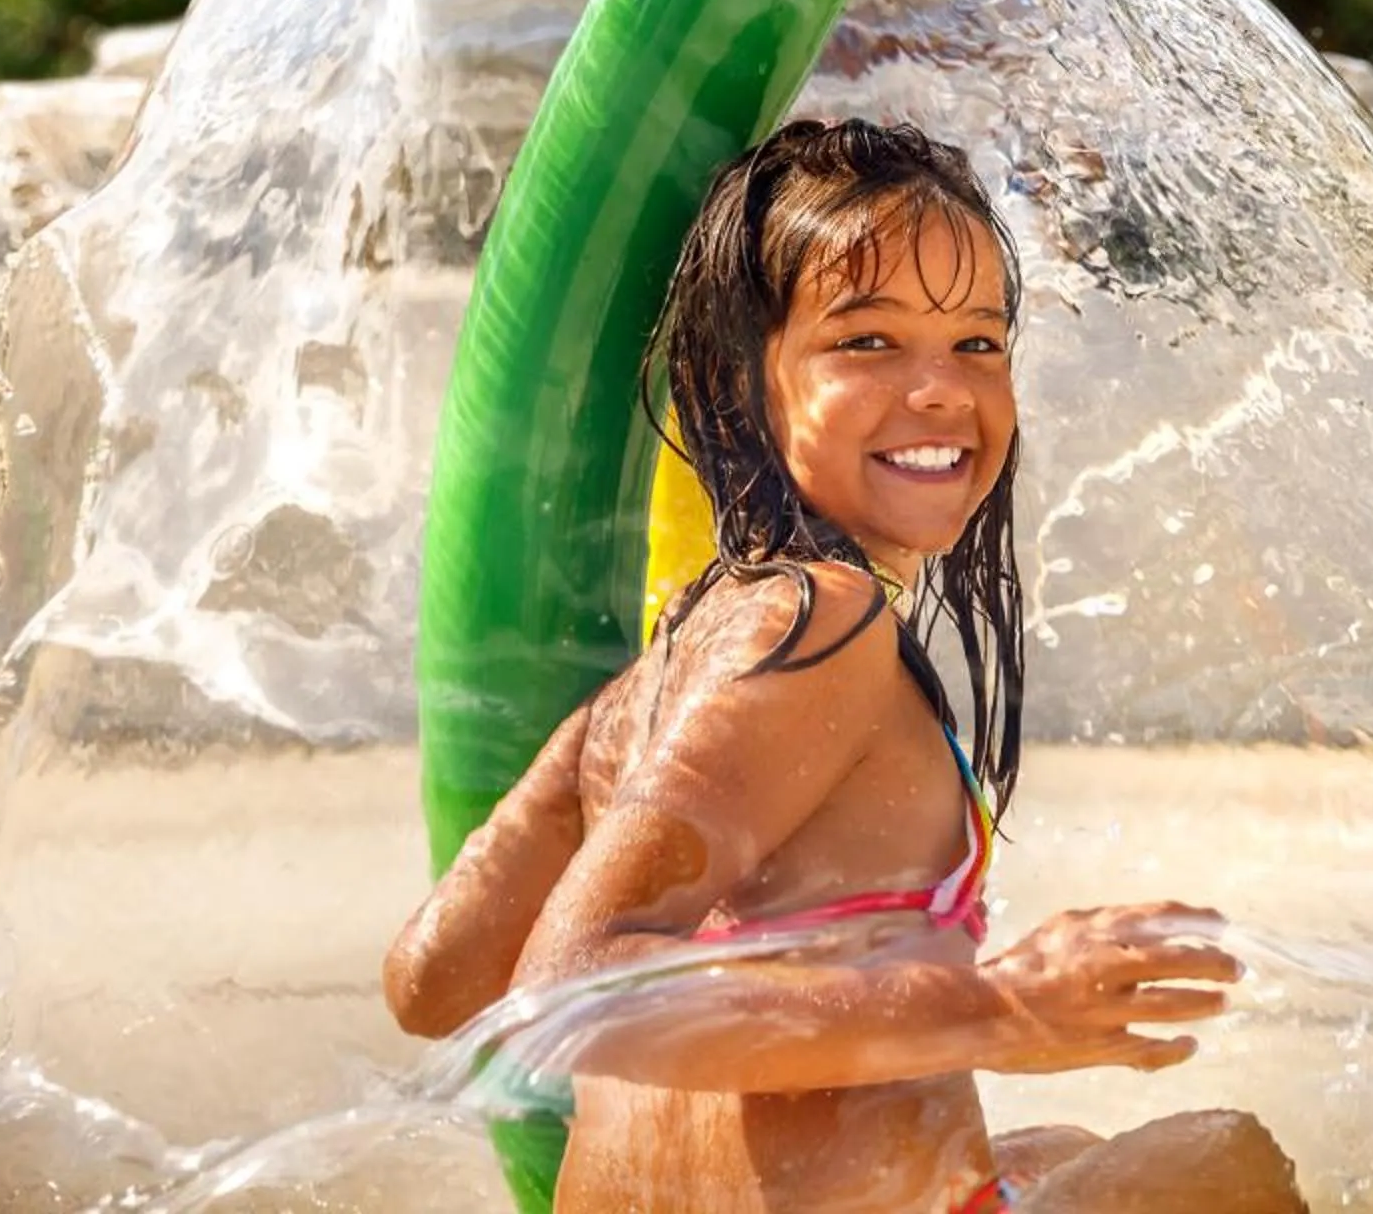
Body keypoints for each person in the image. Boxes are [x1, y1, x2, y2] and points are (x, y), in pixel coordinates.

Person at [385, 119, 1307, 1211]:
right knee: (1223, 1154)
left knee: (1053, 1144)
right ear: (742, 383)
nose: (937, 389)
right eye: (868, 342)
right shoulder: (825, 617)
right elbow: (566, 987)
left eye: (977, 341)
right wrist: (1002, 1008)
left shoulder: (647, 685)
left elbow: (431, 983)